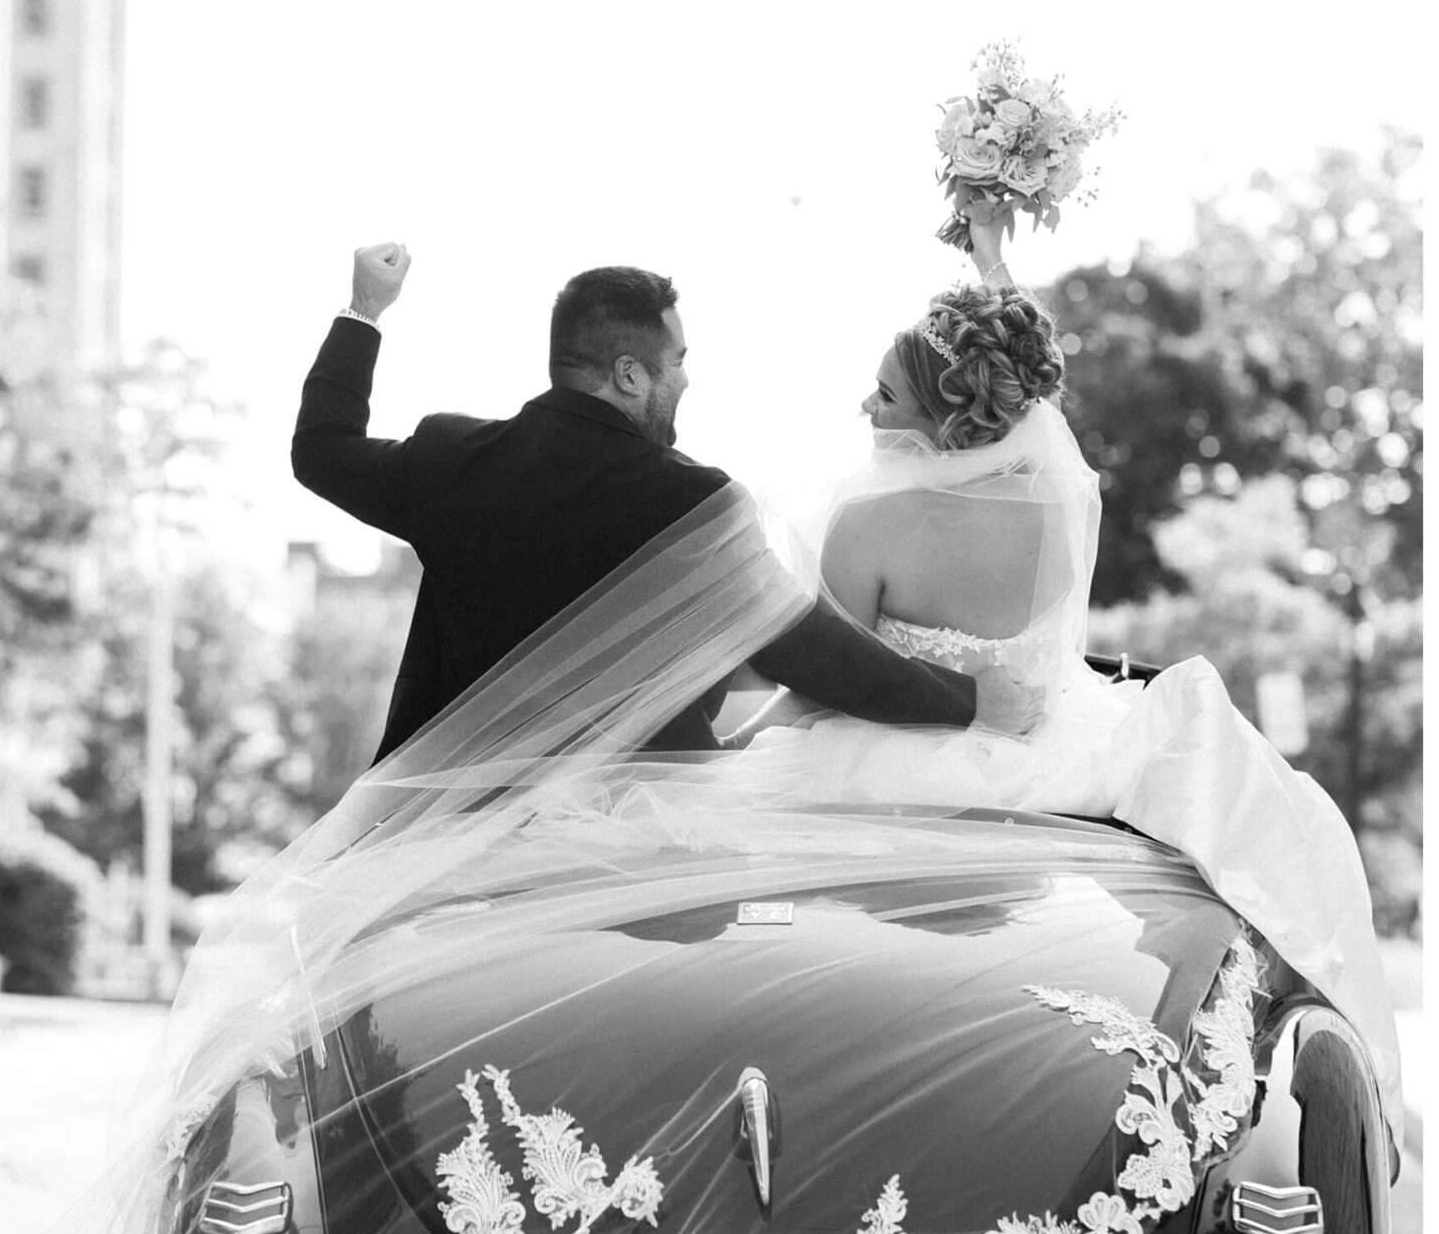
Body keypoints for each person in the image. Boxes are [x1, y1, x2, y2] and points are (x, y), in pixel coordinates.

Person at [720, 206, 1402, 1135]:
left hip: (900, 754)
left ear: (944, 418)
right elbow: (1023, 397)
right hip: (1059, 740)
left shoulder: (866, 524)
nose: (865, 407)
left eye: (884, 393)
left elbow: (826, 685)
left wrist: (731, 750)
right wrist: (993, 262)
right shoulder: (1049, 499)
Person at [292, 241, 1039, 752]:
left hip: (439, 839)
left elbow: (320, 451)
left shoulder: (450, 457)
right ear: (627, 374)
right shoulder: (691, 503)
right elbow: (811, 653)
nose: (684, 377)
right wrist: (969, 702)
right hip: (629, 847)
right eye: (676, 360)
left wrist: (364, 309)